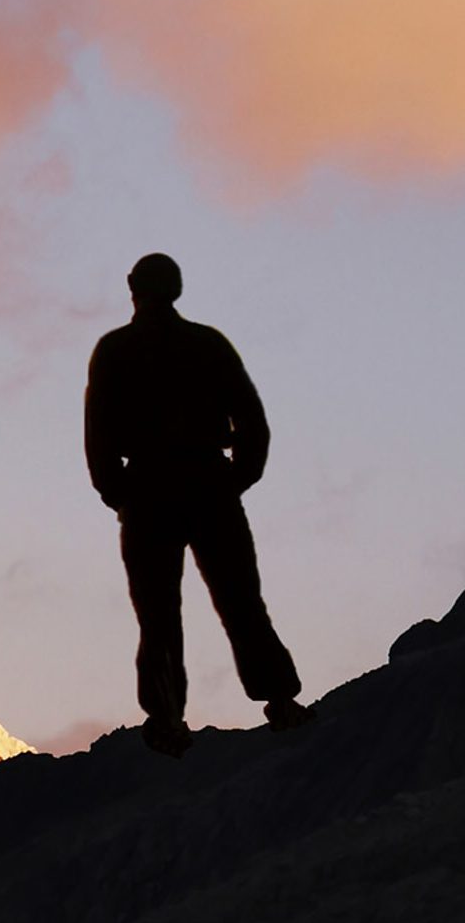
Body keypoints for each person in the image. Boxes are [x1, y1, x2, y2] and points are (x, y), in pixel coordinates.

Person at [84, 253, 315, 758]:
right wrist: (237, 477)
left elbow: (98, 433)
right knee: (241, 600)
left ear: (132, 288)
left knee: (159, 613)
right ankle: (279, 699)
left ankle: (167, 719)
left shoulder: (116, 350)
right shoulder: (207, 345)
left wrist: (117, 490)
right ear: (178, 288)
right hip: (209, 483)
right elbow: (252, 421)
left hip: (150, 490)